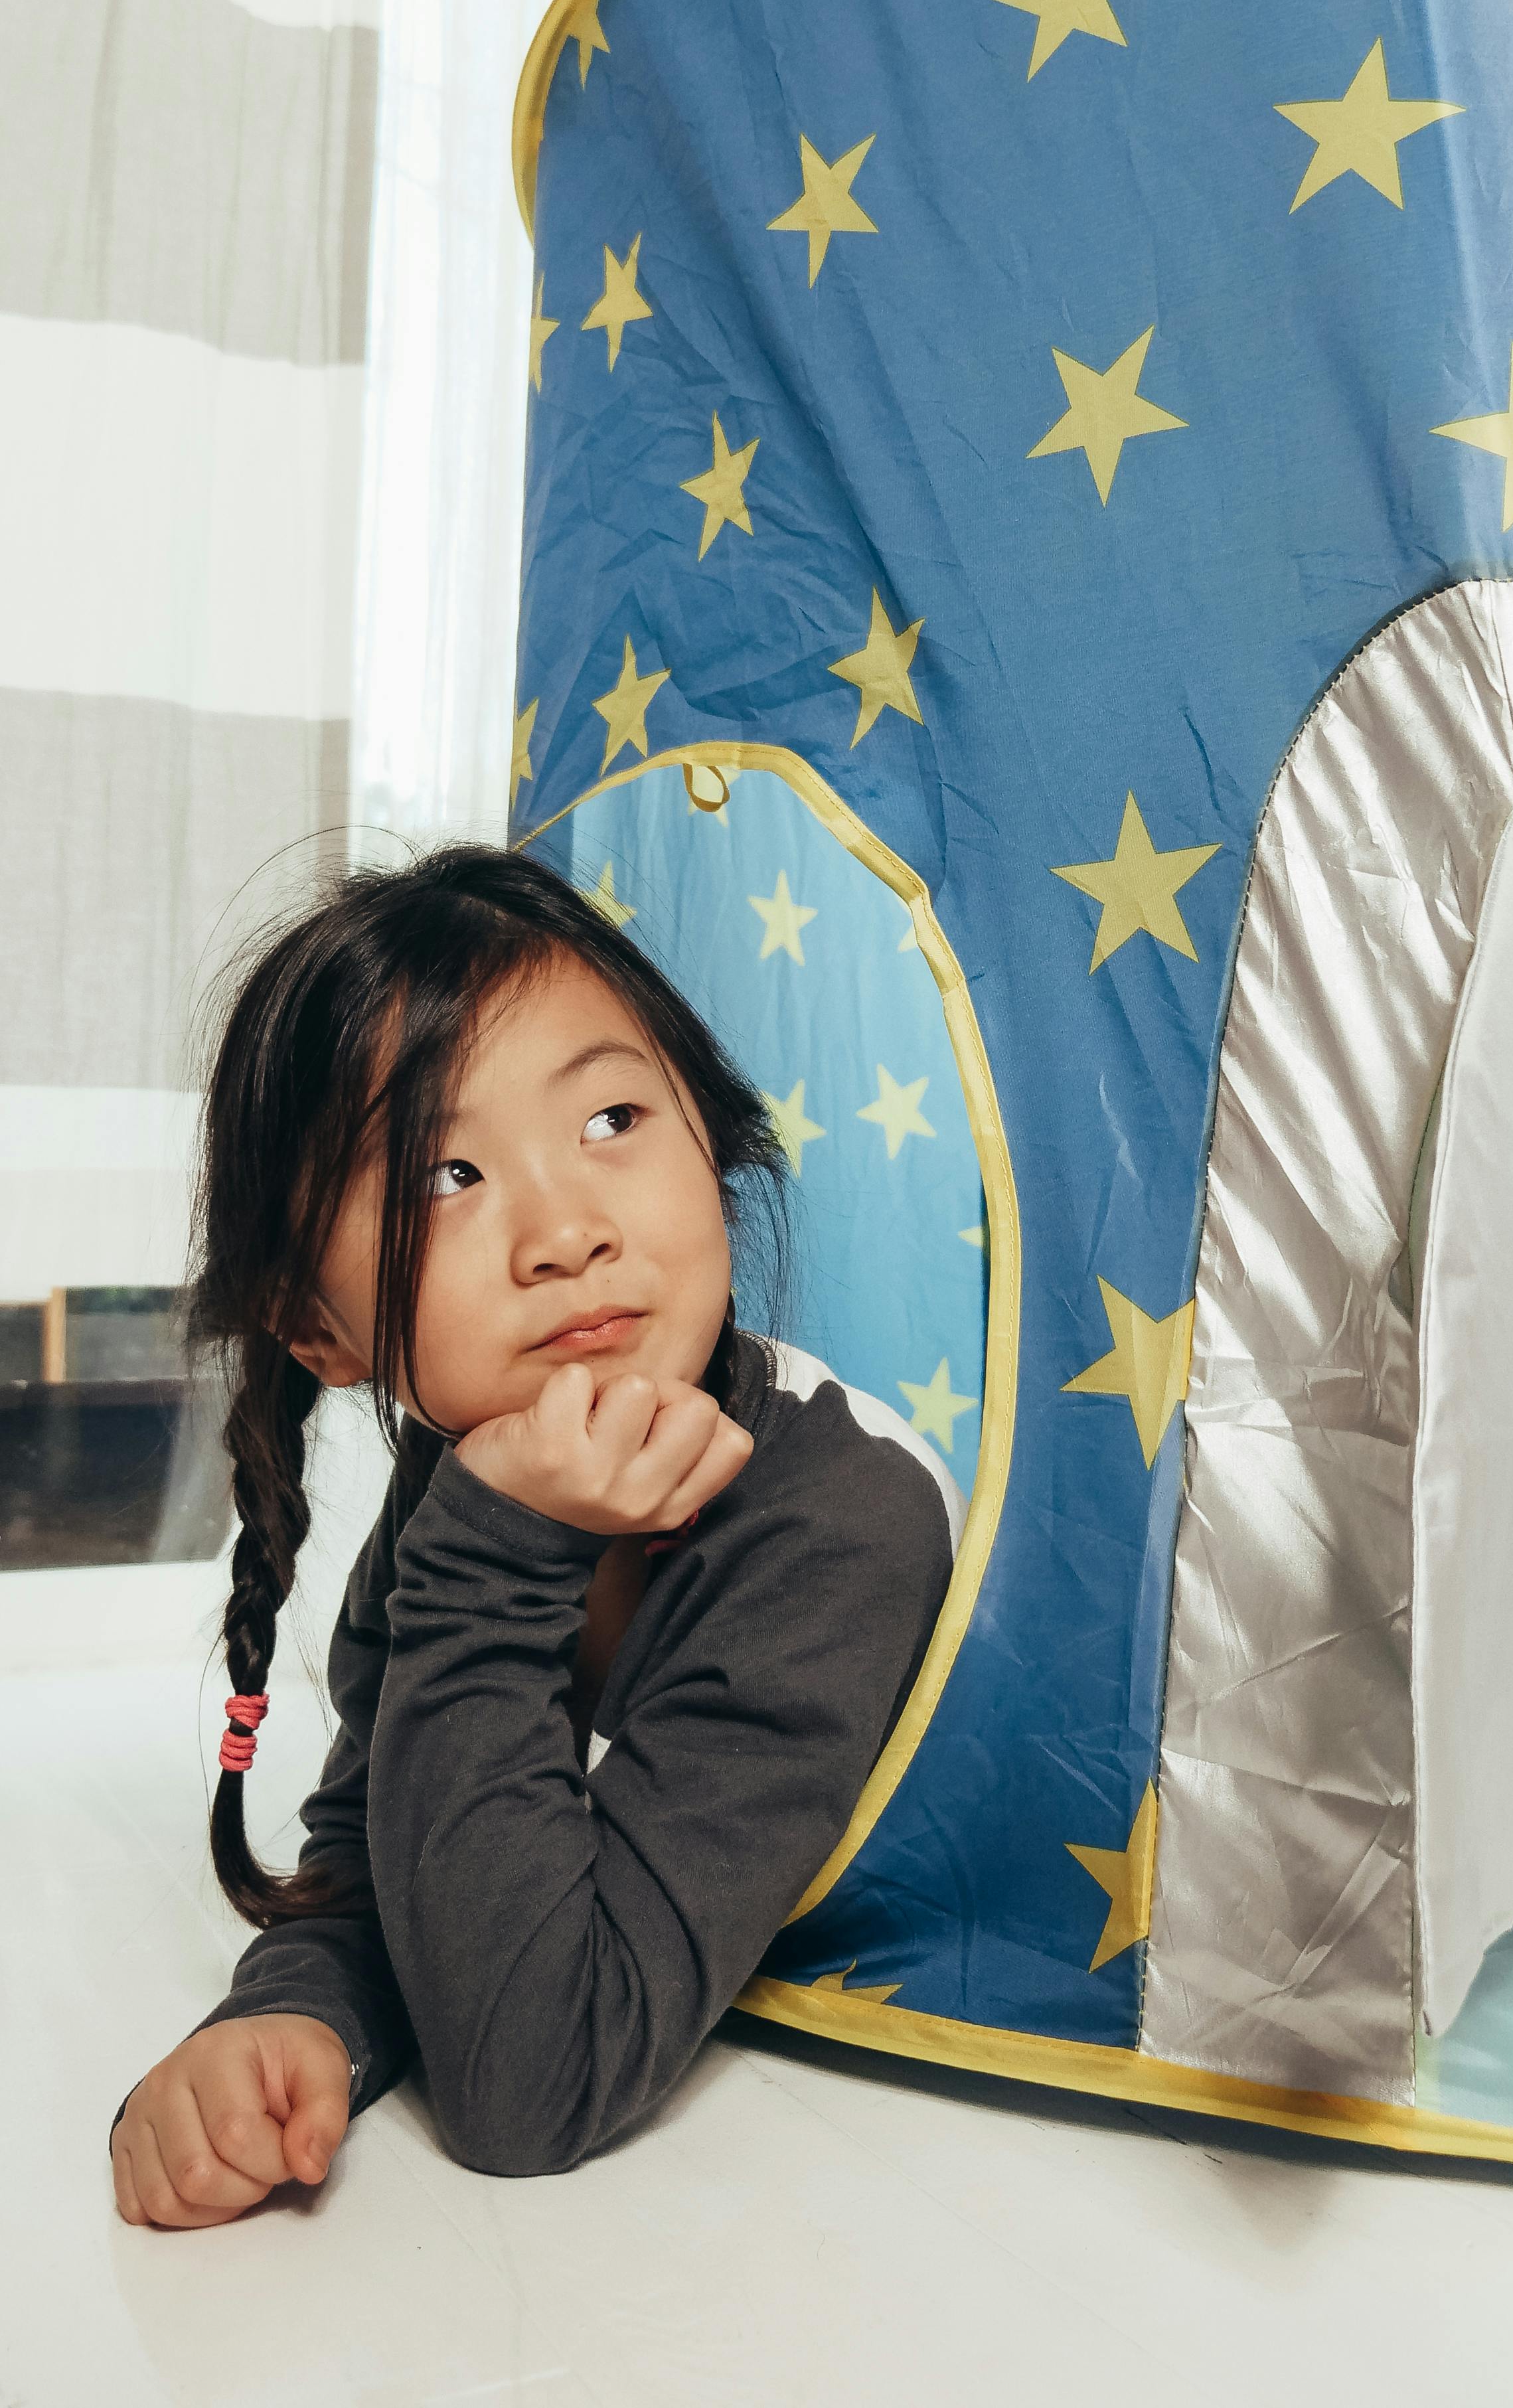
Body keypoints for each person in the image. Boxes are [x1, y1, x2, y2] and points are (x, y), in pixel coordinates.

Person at [110, 845, 958, 2228]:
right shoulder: (476, 1480)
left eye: (613, 1119)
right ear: (318, 1326)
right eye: (444, 1174)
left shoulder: (831, 1520)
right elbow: (383, 1869)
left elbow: (532, 2081)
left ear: (717, 1146)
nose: (564, 1230)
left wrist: (496, 1553)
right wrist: (286, 2023)